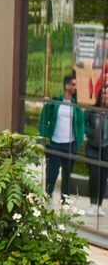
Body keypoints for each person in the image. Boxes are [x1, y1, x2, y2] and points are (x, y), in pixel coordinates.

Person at [39, 74, 84, 202]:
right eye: (73, 84)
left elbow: (80, 123)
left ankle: (65, 202)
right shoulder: (55, 102)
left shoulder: (76, 105)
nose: (75, 87)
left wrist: (78, 141)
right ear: (67, 86)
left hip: (70, 145)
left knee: (67, 177)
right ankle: (48, 197)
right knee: (52, 174)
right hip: (55, 144)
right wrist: (44, 139)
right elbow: (44, 119)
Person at [86, 82, 108, 216]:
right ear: (100, 94)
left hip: (106, 149)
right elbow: (86, 125)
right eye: (104, 92)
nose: (106, 95)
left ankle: (100, 205)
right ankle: (92, 204)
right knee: (94, 176)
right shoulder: (92, 110)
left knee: (104, 178)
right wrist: (91, 134)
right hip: (93, 149)